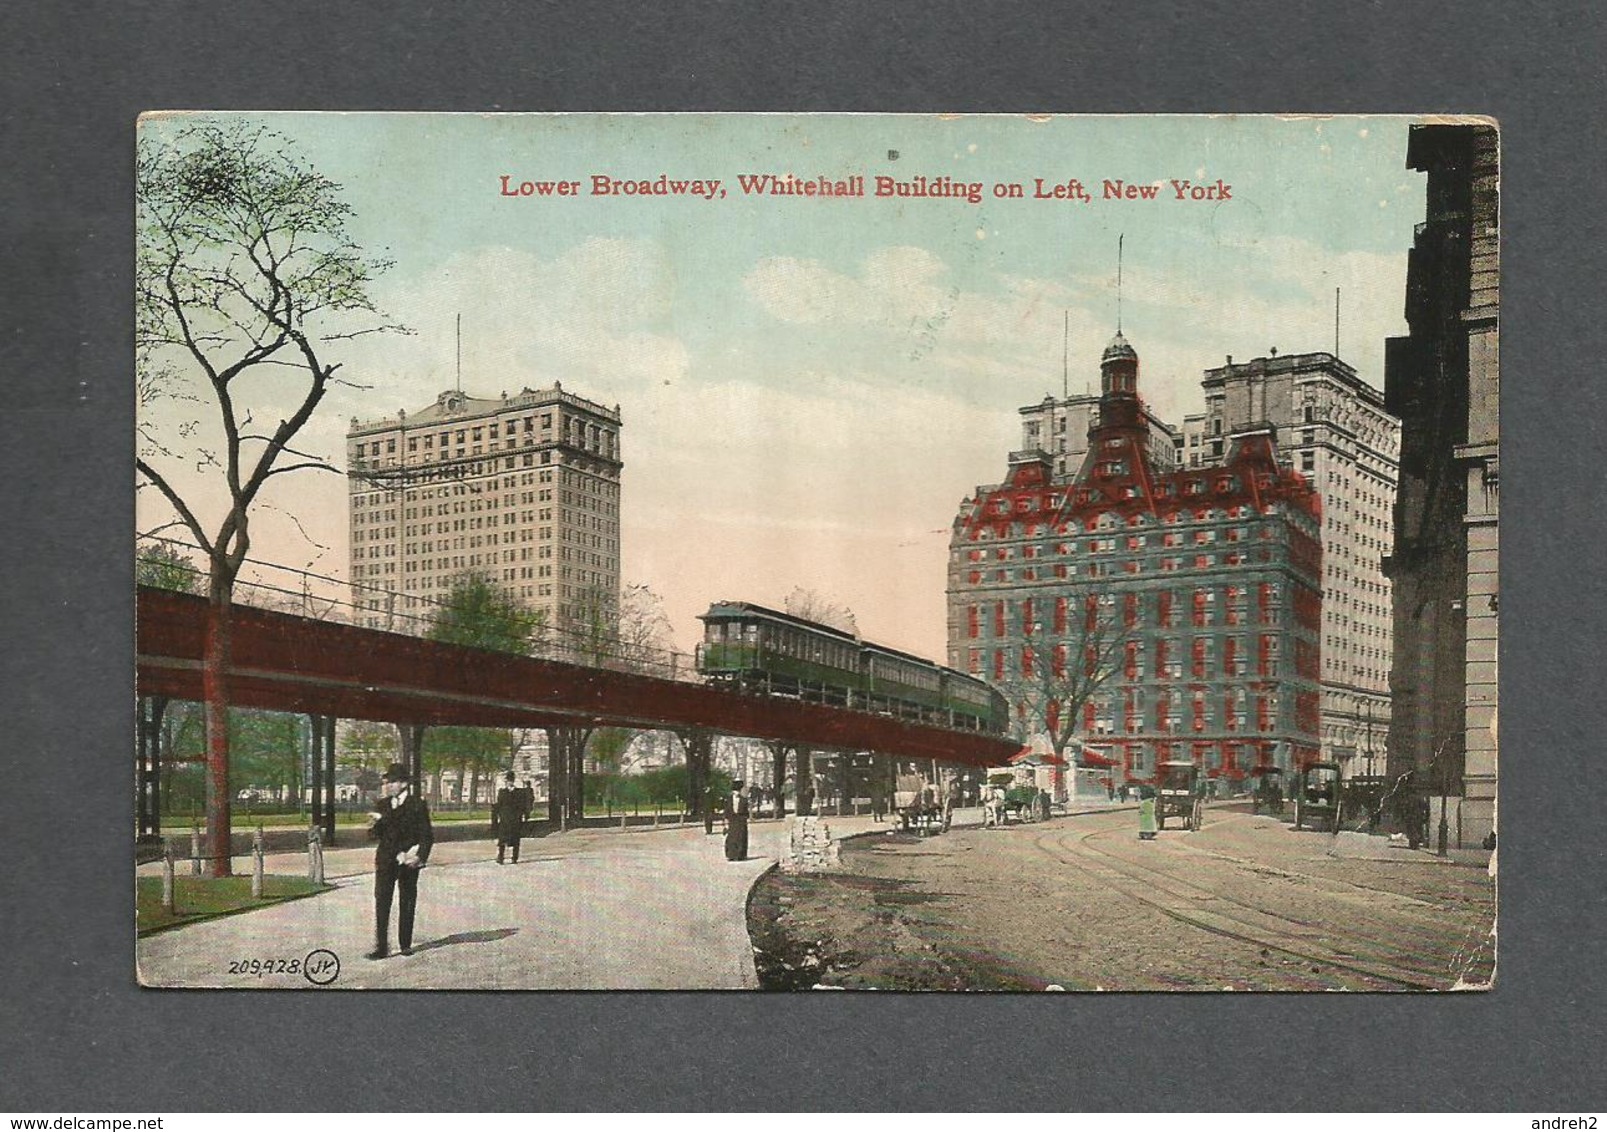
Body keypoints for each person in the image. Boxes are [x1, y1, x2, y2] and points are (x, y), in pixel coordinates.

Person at [367, 762, 434, 959]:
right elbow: (374, 835)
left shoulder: (416, 804)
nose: (389, 786)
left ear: (404, 784)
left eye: (393, 782)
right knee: (382, 901)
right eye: (388, 782)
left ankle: (405, 944)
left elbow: (427, 835)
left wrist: (420, 856)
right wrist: (374, 824)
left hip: (408, 861)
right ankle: (381, 947)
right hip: (386, 860)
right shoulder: (382, 805)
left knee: (407, 900)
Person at [492, 770, 529, 864]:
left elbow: (523, 805)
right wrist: (496, 816)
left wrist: (524, 815)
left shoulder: (519, 792)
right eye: (508, 780)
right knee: (502, 839)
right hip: (505, 818)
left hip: (515, 819)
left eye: (511, 780)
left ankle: (514, 857)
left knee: (515, 839)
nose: (510, 782)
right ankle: (501, 857)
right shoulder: (502, 792)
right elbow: (499, 805)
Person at [724, 779, 750, 861]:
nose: (737, 793)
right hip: (732, 820)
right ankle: (731, 855)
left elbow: (746, 812)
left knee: (741, 837)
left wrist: (744, 819)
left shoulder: (744, 800)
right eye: (735, 791)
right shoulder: (728, 799)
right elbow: (726, 811)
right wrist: (726, 822)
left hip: (741, 820)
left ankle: (740, 855)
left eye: (738, 791)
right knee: (731, 838)